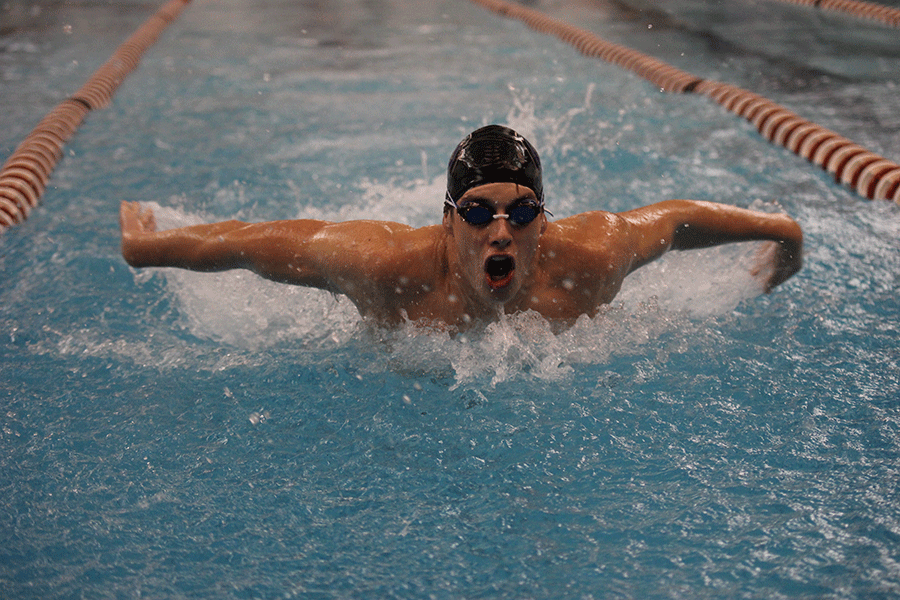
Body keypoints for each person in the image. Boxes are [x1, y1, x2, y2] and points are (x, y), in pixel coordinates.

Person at [120, 125, 803, 330]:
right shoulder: (387, 266)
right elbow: (253, 243)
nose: (500, 229)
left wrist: (783, 231)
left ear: (544, 219)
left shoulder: (590, 259)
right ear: (449, 224)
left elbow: (677, 220)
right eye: (478, 212)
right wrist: (148, 245)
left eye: (520, 211)